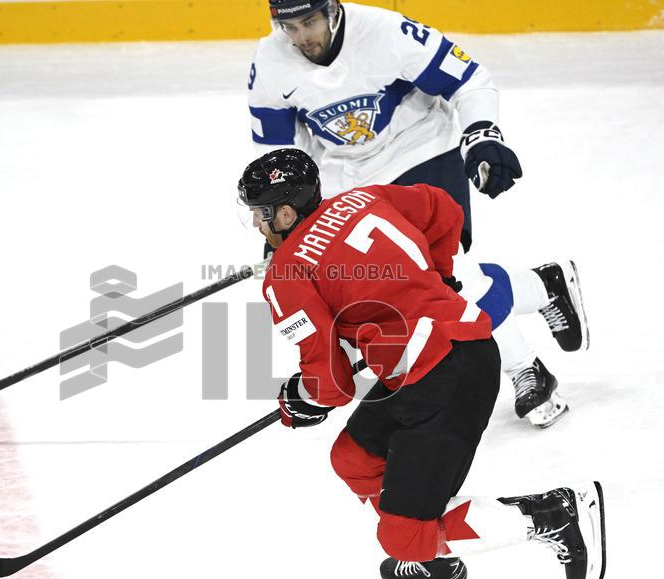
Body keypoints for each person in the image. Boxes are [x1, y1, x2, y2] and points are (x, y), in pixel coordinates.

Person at [239, 148, 606, 579]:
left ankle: (553, 514)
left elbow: (331, 385)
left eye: (260, 214)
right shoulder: (362, 198)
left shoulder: (286, 274)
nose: (257, 226)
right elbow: (442, 208)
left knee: (401, 539)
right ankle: (431, 557)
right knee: (355, 458)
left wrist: (298, 399)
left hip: (441, 379)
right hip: (454, 358)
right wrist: (439, 273)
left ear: (286, 211)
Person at [246, 0, 589, 428]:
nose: (302, 37)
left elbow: (469, 79)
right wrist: (285, 219)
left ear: (332, 11)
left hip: (421, 151)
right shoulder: (271, 60)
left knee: (447, 279)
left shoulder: (386, 33)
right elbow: (279, 153)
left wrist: (481, 136)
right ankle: (541, 287)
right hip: (348, 178)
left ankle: (525, 368)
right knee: (404, 288)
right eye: (289, 26)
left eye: (310, 22)